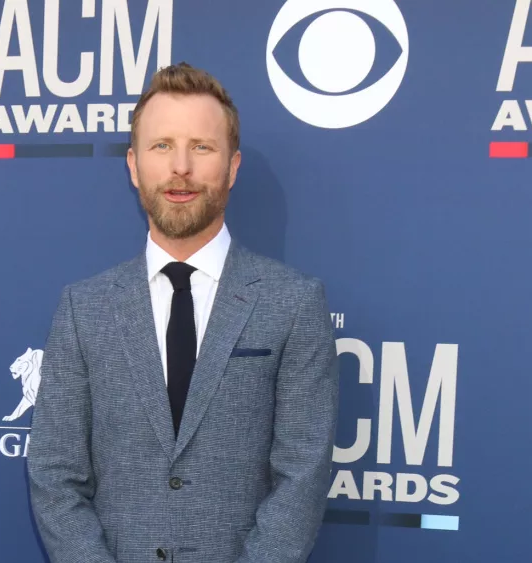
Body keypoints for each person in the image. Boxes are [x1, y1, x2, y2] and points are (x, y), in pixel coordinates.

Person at [26, 62, 339, 563]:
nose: (181, 168)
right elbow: (53, 473)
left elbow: (301, 477)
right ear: (133, 165)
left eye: (202, 147)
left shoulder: (294, 303)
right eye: (162, 146)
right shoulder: (84, 309)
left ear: (232, 167)